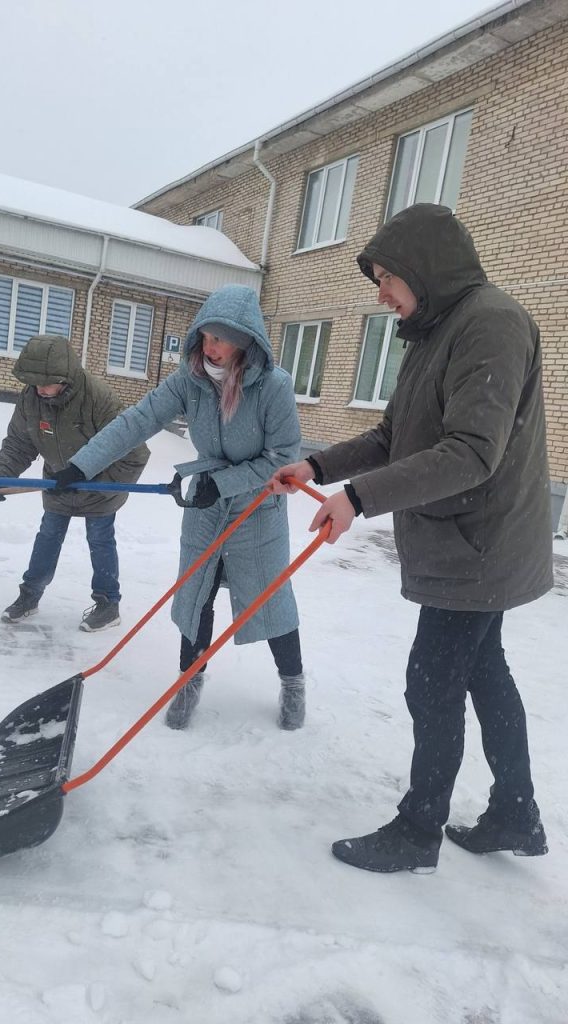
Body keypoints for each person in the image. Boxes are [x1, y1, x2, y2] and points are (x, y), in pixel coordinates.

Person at [271, 203, 553, 872]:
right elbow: (392, 435)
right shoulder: (435, 331)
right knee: (483, 672)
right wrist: (317, 467)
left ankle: (418, 831)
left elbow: (471, 453)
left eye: (387, 278)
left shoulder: (491, 323)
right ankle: (516, 814)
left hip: (479, 544)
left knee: (432, 683)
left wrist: (358, 498)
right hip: (467, 541)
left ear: (424, 270)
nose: (381, 294)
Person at [54, 284, 306, 730]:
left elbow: (282, 459)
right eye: (206, 336)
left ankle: (293, 682)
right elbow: (138, 420)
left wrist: (225, 483)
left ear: (244, 340)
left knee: (269, 601)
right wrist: (81, 464)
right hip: (205, 506)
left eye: (220, 338)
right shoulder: (190, 378)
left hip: (256, 509)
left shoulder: (274, 386)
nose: (210, 347)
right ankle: (188, 682)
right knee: (196, 597)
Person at [0, 334, 150, 632]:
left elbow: (135, 452)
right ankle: (30, 595)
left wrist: (102, 485)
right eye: (34, 383)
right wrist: (0, 477)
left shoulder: (97, 398)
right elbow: (19, 444)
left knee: (100, 539)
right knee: (48, 535)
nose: (39, 389)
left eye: (46, 383)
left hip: (98, 488)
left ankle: (108, 605)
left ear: (65, 377)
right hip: (58, 483)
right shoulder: (32, 398)